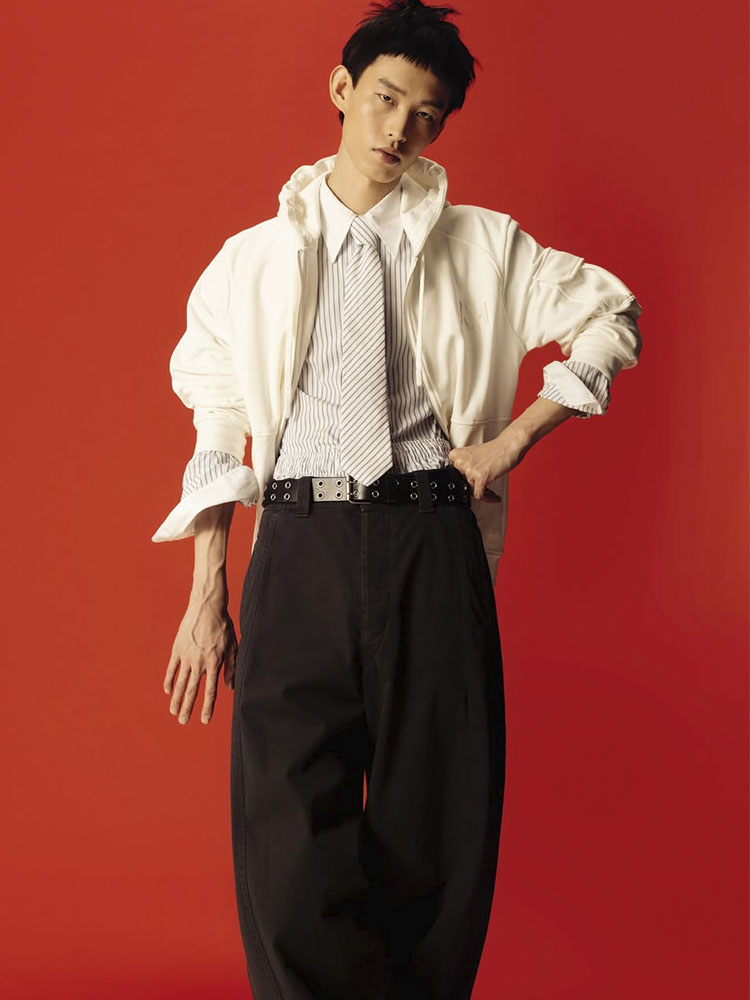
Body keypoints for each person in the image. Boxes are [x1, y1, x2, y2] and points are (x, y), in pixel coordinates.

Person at [152, 1, 643, 996]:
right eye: (384, 98)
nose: (399, 129)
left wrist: (511, 439)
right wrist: (208, 591)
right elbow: (218, 421)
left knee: (438, 821)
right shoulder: (249, 262)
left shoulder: (485, 245)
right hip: (298, 540)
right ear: (341, 90)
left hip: (431, 535)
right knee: (288, 829)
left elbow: (610, 317)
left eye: (426, 114)